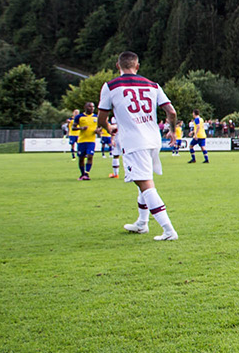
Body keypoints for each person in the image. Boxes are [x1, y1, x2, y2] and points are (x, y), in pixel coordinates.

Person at [96, 51, 180, 241]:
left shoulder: (110, 86)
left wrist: (109, 127)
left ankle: (168, 230)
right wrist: (172, 131)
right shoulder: (153, 85)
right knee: (142, 179)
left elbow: (101, 118)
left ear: (118, 66)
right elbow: (171, 112)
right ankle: (142, 223)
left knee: (145, 183)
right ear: (138, 66)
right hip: (153, 139)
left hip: (134, 142)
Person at [73, 102, 99, 180]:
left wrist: (98, 131)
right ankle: (82, 173)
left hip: (91, 141)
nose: (91, 108)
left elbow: (100, 127)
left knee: (90, 156)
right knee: (81, 158)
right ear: (85, 107)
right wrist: (81, 128)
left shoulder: (96, 117)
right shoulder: (79, 117)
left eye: (93, 107)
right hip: (81, 141)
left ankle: (87, 174)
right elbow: (73, 128)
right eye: (89, 107)